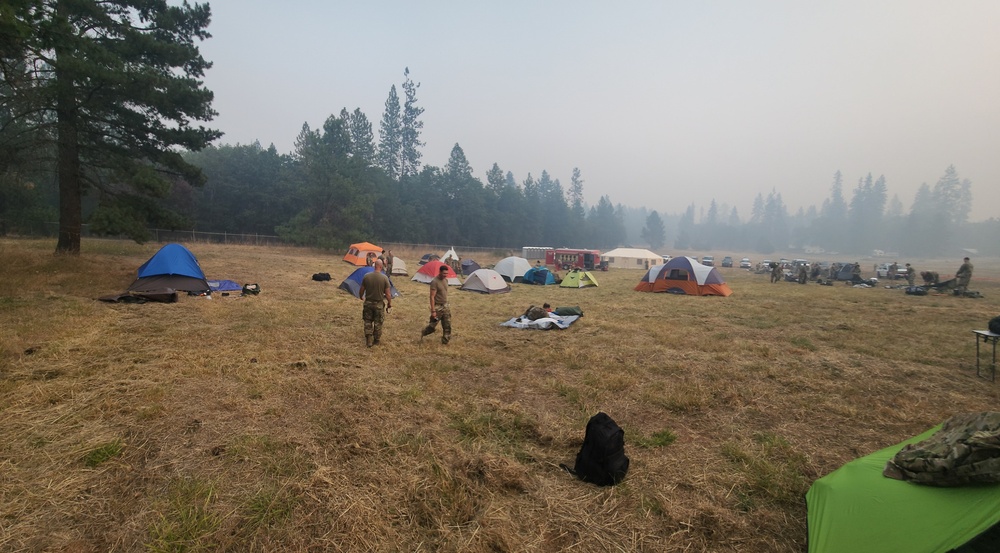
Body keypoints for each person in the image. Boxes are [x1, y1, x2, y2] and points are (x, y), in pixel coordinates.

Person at [358, 259, 392, 348]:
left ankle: (369, 339)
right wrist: (389, 303)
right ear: (381, 267)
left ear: (374, 266)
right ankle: (376, 340)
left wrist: (361, 296)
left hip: (368, 302)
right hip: (379, 304)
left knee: (368, 321)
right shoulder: (384, 278)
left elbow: (361, 289)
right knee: (378, 322)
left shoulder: (367, 276)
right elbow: (388, 294)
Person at [421, 264, 452, 344]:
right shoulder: (435, 282)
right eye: (444, 273)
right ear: (440, 272)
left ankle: (445, 341)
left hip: (445, 305)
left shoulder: (446, 280)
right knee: (432, 325)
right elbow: (432, 297)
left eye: (446, 274)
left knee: (447, 325)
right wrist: (433, 310)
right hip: (437, 307)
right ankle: (423, 332)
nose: (445, 275)